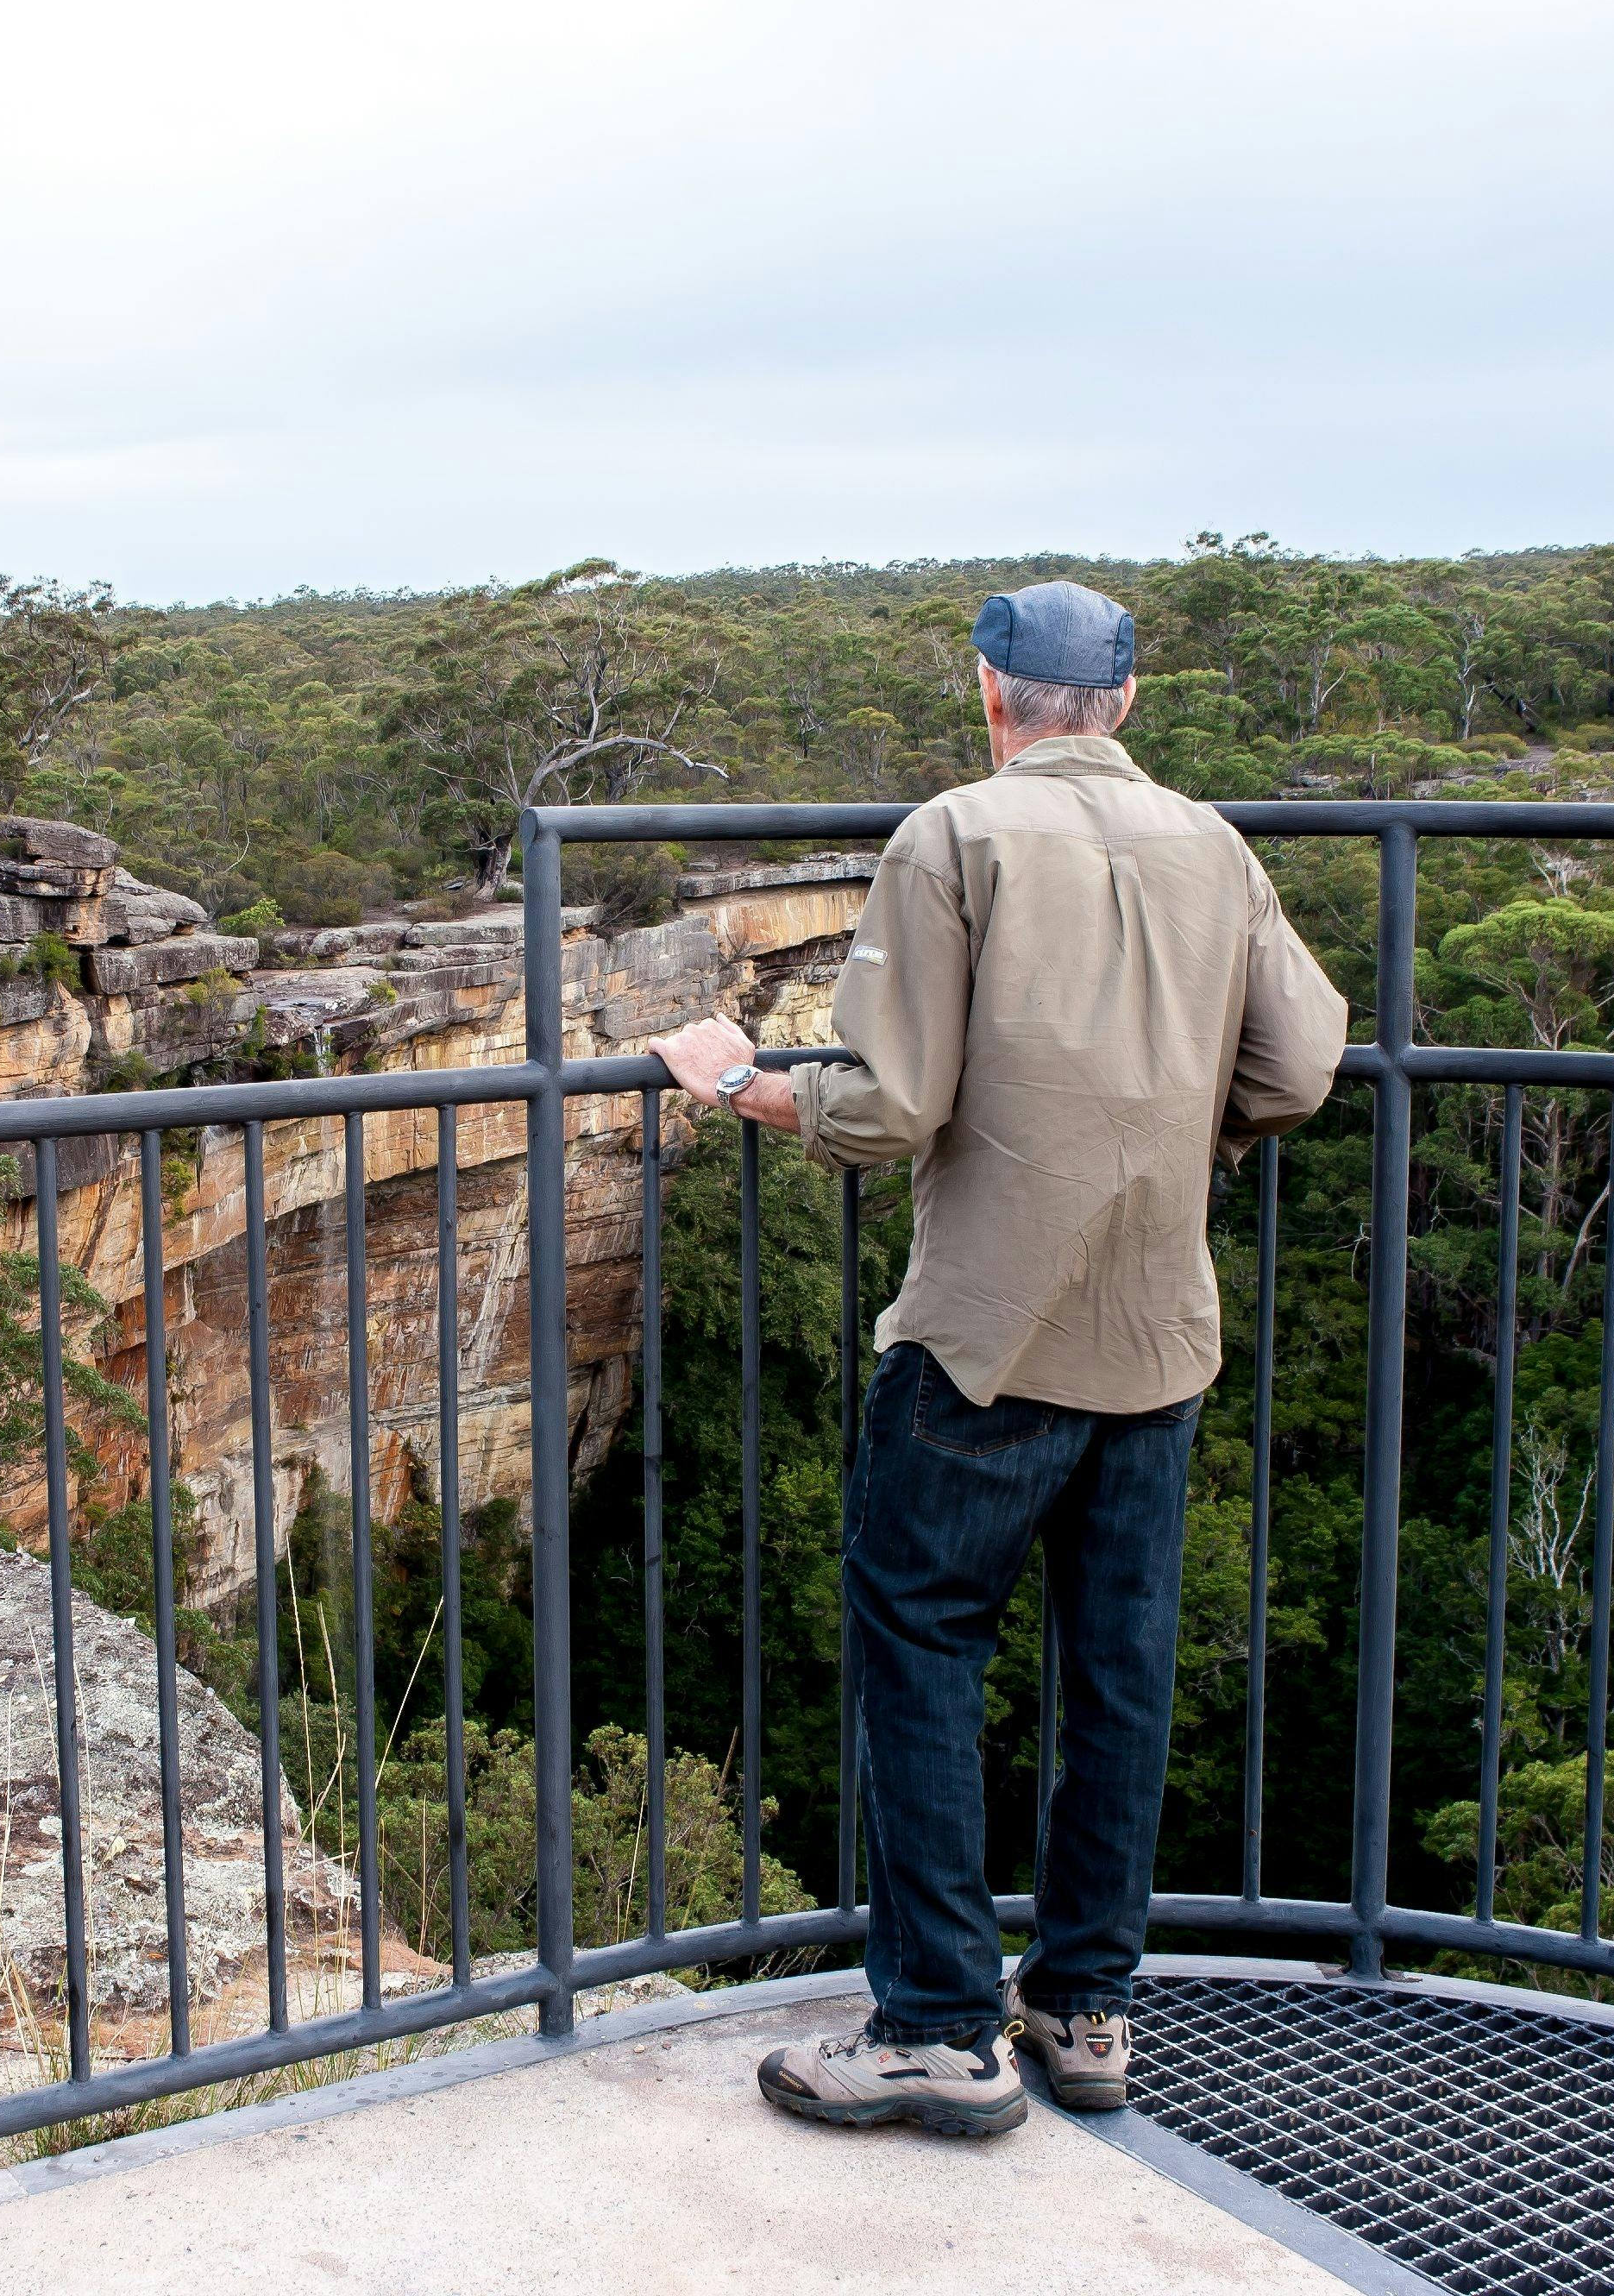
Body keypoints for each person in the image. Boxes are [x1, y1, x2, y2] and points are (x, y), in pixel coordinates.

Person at [650, 578, 1347, 2137]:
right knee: (1118, 1673)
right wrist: (1190, 1126)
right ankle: (1084, 2009)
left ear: (990, 694)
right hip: (1157, 1340)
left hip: (982, 1344)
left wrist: (740, 1083)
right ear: (1130, 705)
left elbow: (890, 1102)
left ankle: (941, 2030)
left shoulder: (953, 837)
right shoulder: (1216, 847)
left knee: (920, 1645)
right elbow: (1300, 1064)